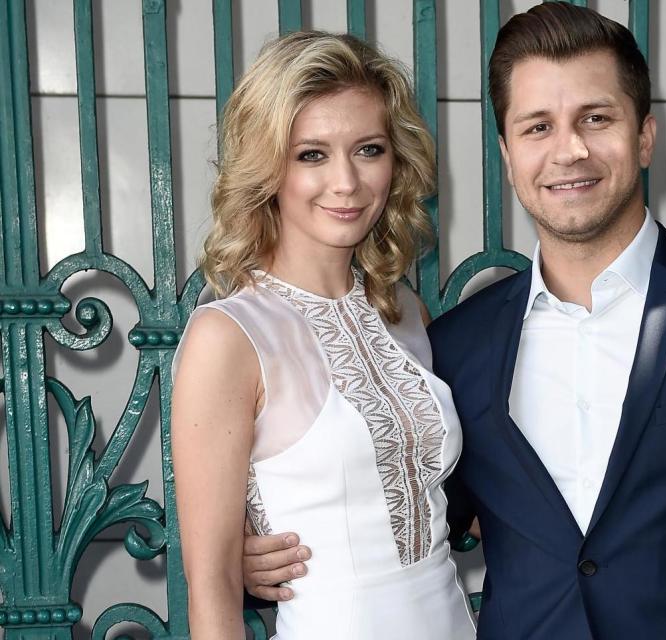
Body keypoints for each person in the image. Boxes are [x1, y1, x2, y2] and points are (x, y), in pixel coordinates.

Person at [243, 5, 666, 639]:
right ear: (507, 153)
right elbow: (410, 502)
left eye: (596, 119)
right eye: (537, 127)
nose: (569, 150)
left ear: (646, 136)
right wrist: (258, 557)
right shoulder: (458, 343)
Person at [171, 30, 476, 640]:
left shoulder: (407, 312)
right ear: (268, 168)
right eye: (312, 154)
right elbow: (210, 594)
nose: (347, 183)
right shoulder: (227, 337)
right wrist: (241, 561)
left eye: (368, 149)